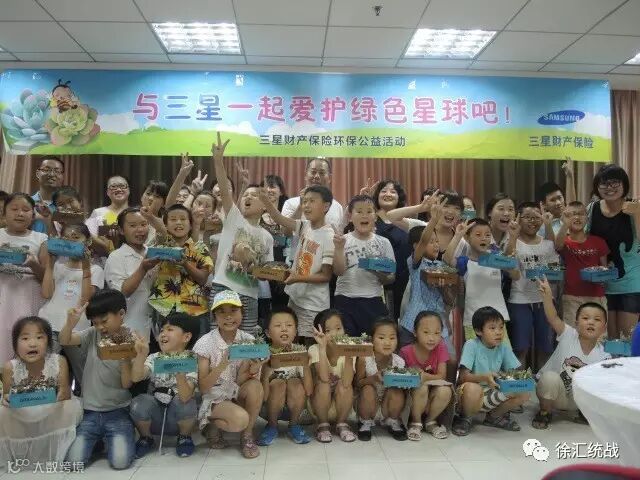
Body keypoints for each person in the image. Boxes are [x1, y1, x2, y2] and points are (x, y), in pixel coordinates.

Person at [61, 290, 136, 470]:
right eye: (95, 323)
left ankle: (115, 437)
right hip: (90, 413)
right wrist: (70, 324)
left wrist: (126, 358)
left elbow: (127, 383)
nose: (100, 327)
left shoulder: (132, 339)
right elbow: (65, 340)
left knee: (120, 462)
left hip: (118, 412)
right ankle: (98, 441)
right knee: (73, 463)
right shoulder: (92, 334)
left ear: (121, 314)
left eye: (104, 321)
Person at [209, 134, 274, 333]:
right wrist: (218, 161)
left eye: (255, 196)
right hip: (223, 286)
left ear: (265, 205)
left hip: (250, 294)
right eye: (246, 195)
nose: (248, 197)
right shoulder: (234, 218)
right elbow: (225, 191)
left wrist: (259, 270)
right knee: (218, 337)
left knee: (246, 339)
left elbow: (266, 273)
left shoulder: (267, 237)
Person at [0, 317, 82, 464]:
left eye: (39, 337)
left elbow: (65, 393)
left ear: (48, 342)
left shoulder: (59, 361)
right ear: (15, 344)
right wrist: (7, 399)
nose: (32, 343)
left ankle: (59, 448)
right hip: (23, 413)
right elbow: (7, 394)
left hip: (52, 410)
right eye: (25, 338)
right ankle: (21, 453)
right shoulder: (9, 367)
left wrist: (54, 397)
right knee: (3, 412)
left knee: (68, 407)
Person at [194, 290, 265, 459]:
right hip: (215, 397)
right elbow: (203, 388)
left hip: (235, 391)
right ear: (214, 316)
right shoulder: (205, 343)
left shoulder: (249, 340)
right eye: (222, 312)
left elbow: (241, 380)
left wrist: (254, 368)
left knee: (255, 386)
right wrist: (222, 364)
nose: (228, 316)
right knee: (240, 420)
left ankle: (247, 436)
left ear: (242, 313)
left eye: (233, 310)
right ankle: (211, 426)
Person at [259, 185, 334, 344]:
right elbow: (279, 219)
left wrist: (297, 278)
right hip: (296, 297)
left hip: (313, 304)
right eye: (304, 201)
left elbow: (326, 276)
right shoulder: (305, 226)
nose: (306, 205)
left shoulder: (329, 235)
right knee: (293, 341)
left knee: (309, 345)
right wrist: (265, 200)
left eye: (312, 201)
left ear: (326, 206)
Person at [532, 277, 610, 429]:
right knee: (549, 378)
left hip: (579, 402)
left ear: (604, 327)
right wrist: (547, 297)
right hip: (555, 394)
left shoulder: (604, 354)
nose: (591, 322)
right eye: (585, 318)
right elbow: (553, 317)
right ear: (576, 323)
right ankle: (545, 412)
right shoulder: (568, 334)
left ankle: (584, 414)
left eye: (597, 319)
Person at [39, 223, 103, 385]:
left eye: (75, 238)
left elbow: (85, 300)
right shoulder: (58, 266)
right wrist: (50, 264)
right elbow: (46, 294)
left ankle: (86, 398)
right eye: (66, 239)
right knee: (46, 371)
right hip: (50, 324)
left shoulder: (96, 270)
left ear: (88, 241)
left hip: (77, 329)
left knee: (84, 374)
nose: (70, 242)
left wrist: (86, 268)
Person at [130, 313, 200, 458]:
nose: (163, 333)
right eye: (162, 330)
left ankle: (184, 437)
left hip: (178, 419)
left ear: (186, 337)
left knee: (186, 402)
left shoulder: (191, 359)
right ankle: (146, 438)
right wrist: (141, 355)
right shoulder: (155, 358)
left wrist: (180, 373)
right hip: (155, 418)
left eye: (170, 329)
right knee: (139, 402)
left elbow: (185, 397)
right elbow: (136, 377)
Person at [452, 307, 529, 436]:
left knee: (523, 391)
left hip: (491, 391)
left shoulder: (503, 348)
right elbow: (463, 377)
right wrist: (484, 377)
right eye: (492, 328)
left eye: (501, 328)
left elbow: (514, 372)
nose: (498, 332)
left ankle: (494, 416)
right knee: (473, 389)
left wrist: (520, 379)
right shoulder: (472, 345)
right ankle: (465, 418)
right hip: (471, 394)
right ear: (478, 330)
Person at [444, 218, 519, 343]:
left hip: (498, 319)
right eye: (478, 235)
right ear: (467, 238)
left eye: (487, 235)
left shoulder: (497, 258)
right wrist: (458, 235)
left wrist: (513, 239)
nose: (483, 238)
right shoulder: (464, 262)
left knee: (502, 354)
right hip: (473, 321)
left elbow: (516, 276)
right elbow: (447, 259)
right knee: (476, 354)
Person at [587, 165, 640, 339]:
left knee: (626, 339)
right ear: (597, 187)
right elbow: (579, 234)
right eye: (604, 183)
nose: (609, 187)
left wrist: (637, 214)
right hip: (601, 284)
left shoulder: (634, 207)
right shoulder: (592, 209)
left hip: (631, 282)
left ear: (624, 184)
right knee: (608, 340)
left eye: (615, 182)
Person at [147, 204, 213, 338]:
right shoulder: (158, 245)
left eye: (183, 219)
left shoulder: (199, 247)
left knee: (197, 348)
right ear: (165, 225)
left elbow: (202, 278)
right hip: (163, 308)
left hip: (195, 310)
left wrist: (185, 264)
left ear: (190, 224)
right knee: (166, 348)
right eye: (173, 219)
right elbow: (147, 266)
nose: (178, 222)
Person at [333, 195, 395, 336]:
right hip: (345, 299)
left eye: (369, 211)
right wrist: (339, 248)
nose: (364, 215)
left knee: (372, 343)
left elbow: (391, 278)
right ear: (350, 217)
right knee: (346, 343)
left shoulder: (384, 242)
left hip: (373, 300)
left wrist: (376, 270)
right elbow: (338, 271)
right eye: (359, 211)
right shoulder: (342, 240)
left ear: (375, 216)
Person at [507, 202, 557, 370]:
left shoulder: (548, 244)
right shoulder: (512, 241)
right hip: (519, 300)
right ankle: (519, 382)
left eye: (536, 217)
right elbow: (507, 265)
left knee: (546, 347)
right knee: (520, 347)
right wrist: (512, 238)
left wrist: (545, 272)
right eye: (527, 217)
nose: (532, 221)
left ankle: (543, 381)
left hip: (544, 300)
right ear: (518, 219)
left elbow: (555, 271)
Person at [399, 200, 455, 351]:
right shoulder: (416, 262)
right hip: (412, 323)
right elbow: (423, 239)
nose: (436, 245)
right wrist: (434, 220)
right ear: (416, 246)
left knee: (451, 359)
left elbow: (450, 301)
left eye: (437, 241)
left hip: (437, 326)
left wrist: (444, 288)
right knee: (410, 361)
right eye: (431, 242)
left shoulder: (441, 266)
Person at [0, 193, 48, 363]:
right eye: (14, 209)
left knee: (27, 338)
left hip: (29, 298)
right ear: (4, 213)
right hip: (3, 296)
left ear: (33, 215)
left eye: (26, 210)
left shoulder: (41, 239)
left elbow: (47, 279)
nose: (20, 213)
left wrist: (33, 264)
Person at [257, 307, 313, 446]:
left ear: (296, 331)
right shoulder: (263, 354)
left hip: (296, 408)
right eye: (278, 325)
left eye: (289, 325)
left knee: (295, 382)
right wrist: (265, 374)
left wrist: (305, 365)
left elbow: (309, 391)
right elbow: (262, 397)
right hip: (267, 407)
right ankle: (272, 425)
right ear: (268, 333)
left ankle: (294, 425)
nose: (284, 329)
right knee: (278, 383)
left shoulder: (300, 352)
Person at [104, 208, 160, 341]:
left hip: (158, 328)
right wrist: (143, 269)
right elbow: (121, 293)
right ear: (121, 230)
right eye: (133, 226)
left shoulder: (155, 252)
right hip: (131, 328)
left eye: (143, 224)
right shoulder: (116, 257)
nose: (140, 230)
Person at [399, 311, 452, 441]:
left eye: (437, 333)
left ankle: (430, 421)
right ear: (415, 332)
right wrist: (417, 378)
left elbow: (442, 375)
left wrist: (424, 376)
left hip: (432, 399)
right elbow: (400, 378)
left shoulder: (441, 348)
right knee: (420, 386)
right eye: (426, 332)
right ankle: (415, 422)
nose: (432, 338)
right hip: (412, 400)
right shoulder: (405, 351)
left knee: (445, 390)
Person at [554, 201, 609, 325]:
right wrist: (565, 224)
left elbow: (604, 268)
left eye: (581, 214)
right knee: (572, 333)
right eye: (572, 214)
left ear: (587, 218)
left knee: (597, 334)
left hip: (597, 296)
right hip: (571, 296)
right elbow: (557, 245)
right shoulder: (564, 242)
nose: (577, 217)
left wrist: (603, 277)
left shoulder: (598, 241)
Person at [356, 318, 407, 442]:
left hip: (387, 406)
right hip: (368, 405)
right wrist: (373, 379)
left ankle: (393, 421)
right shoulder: (365, 359)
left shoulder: (399, 361)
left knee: (397, 390)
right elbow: (358, 384)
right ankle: (365, 422)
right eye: (381, 337)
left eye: (392, 338)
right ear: (372, 339)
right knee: (368, 389)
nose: (387, 342)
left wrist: (404, 383)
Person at [308, 309, 356, 443]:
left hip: (342, 405)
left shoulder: (351, 347)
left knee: (343, 384)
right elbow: (324, 377)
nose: (334, 334)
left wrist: (349, 355)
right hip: (319, 405)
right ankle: (323, 425)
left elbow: (347, 382)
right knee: (323, 384)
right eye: (327, 330)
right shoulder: (314, 349)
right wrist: (322, 348)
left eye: (338, 328)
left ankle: (342, 424)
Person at [371, 179, 410, 320]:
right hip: (377, 283)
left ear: (399, 197)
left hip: (403, 283)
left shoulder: (407, 222)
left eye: (393, 192)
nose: (388, 194)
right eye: (383, 191)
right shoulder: (370, 220)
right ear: (377, 196)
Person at [281, 158, 344, 233]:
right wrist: (300, 206)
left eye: (322, 173)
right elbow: (285, 232)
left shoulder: (337, 207)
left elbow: (339, 234)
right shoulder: (290, 203)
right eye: (313, 172)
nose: (317, 176)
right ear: (306, 175)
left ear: (329, 178)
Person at [537, 159, 576, 238]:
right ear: (544, 204)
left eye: (560, 198)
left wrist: (570, 177)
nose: (558, 202)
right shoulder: (541, 226)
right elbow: (552, 244)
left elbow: (572, 204)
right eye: (552, 200)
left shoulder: (571, 217)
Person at [31, 156, 65, 234]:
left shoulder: (67, 207)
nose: (52, 174)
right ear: (37, 173)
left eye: (57, 171)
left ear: (62, 176)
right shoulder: (27, 203)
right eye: (46, 170)